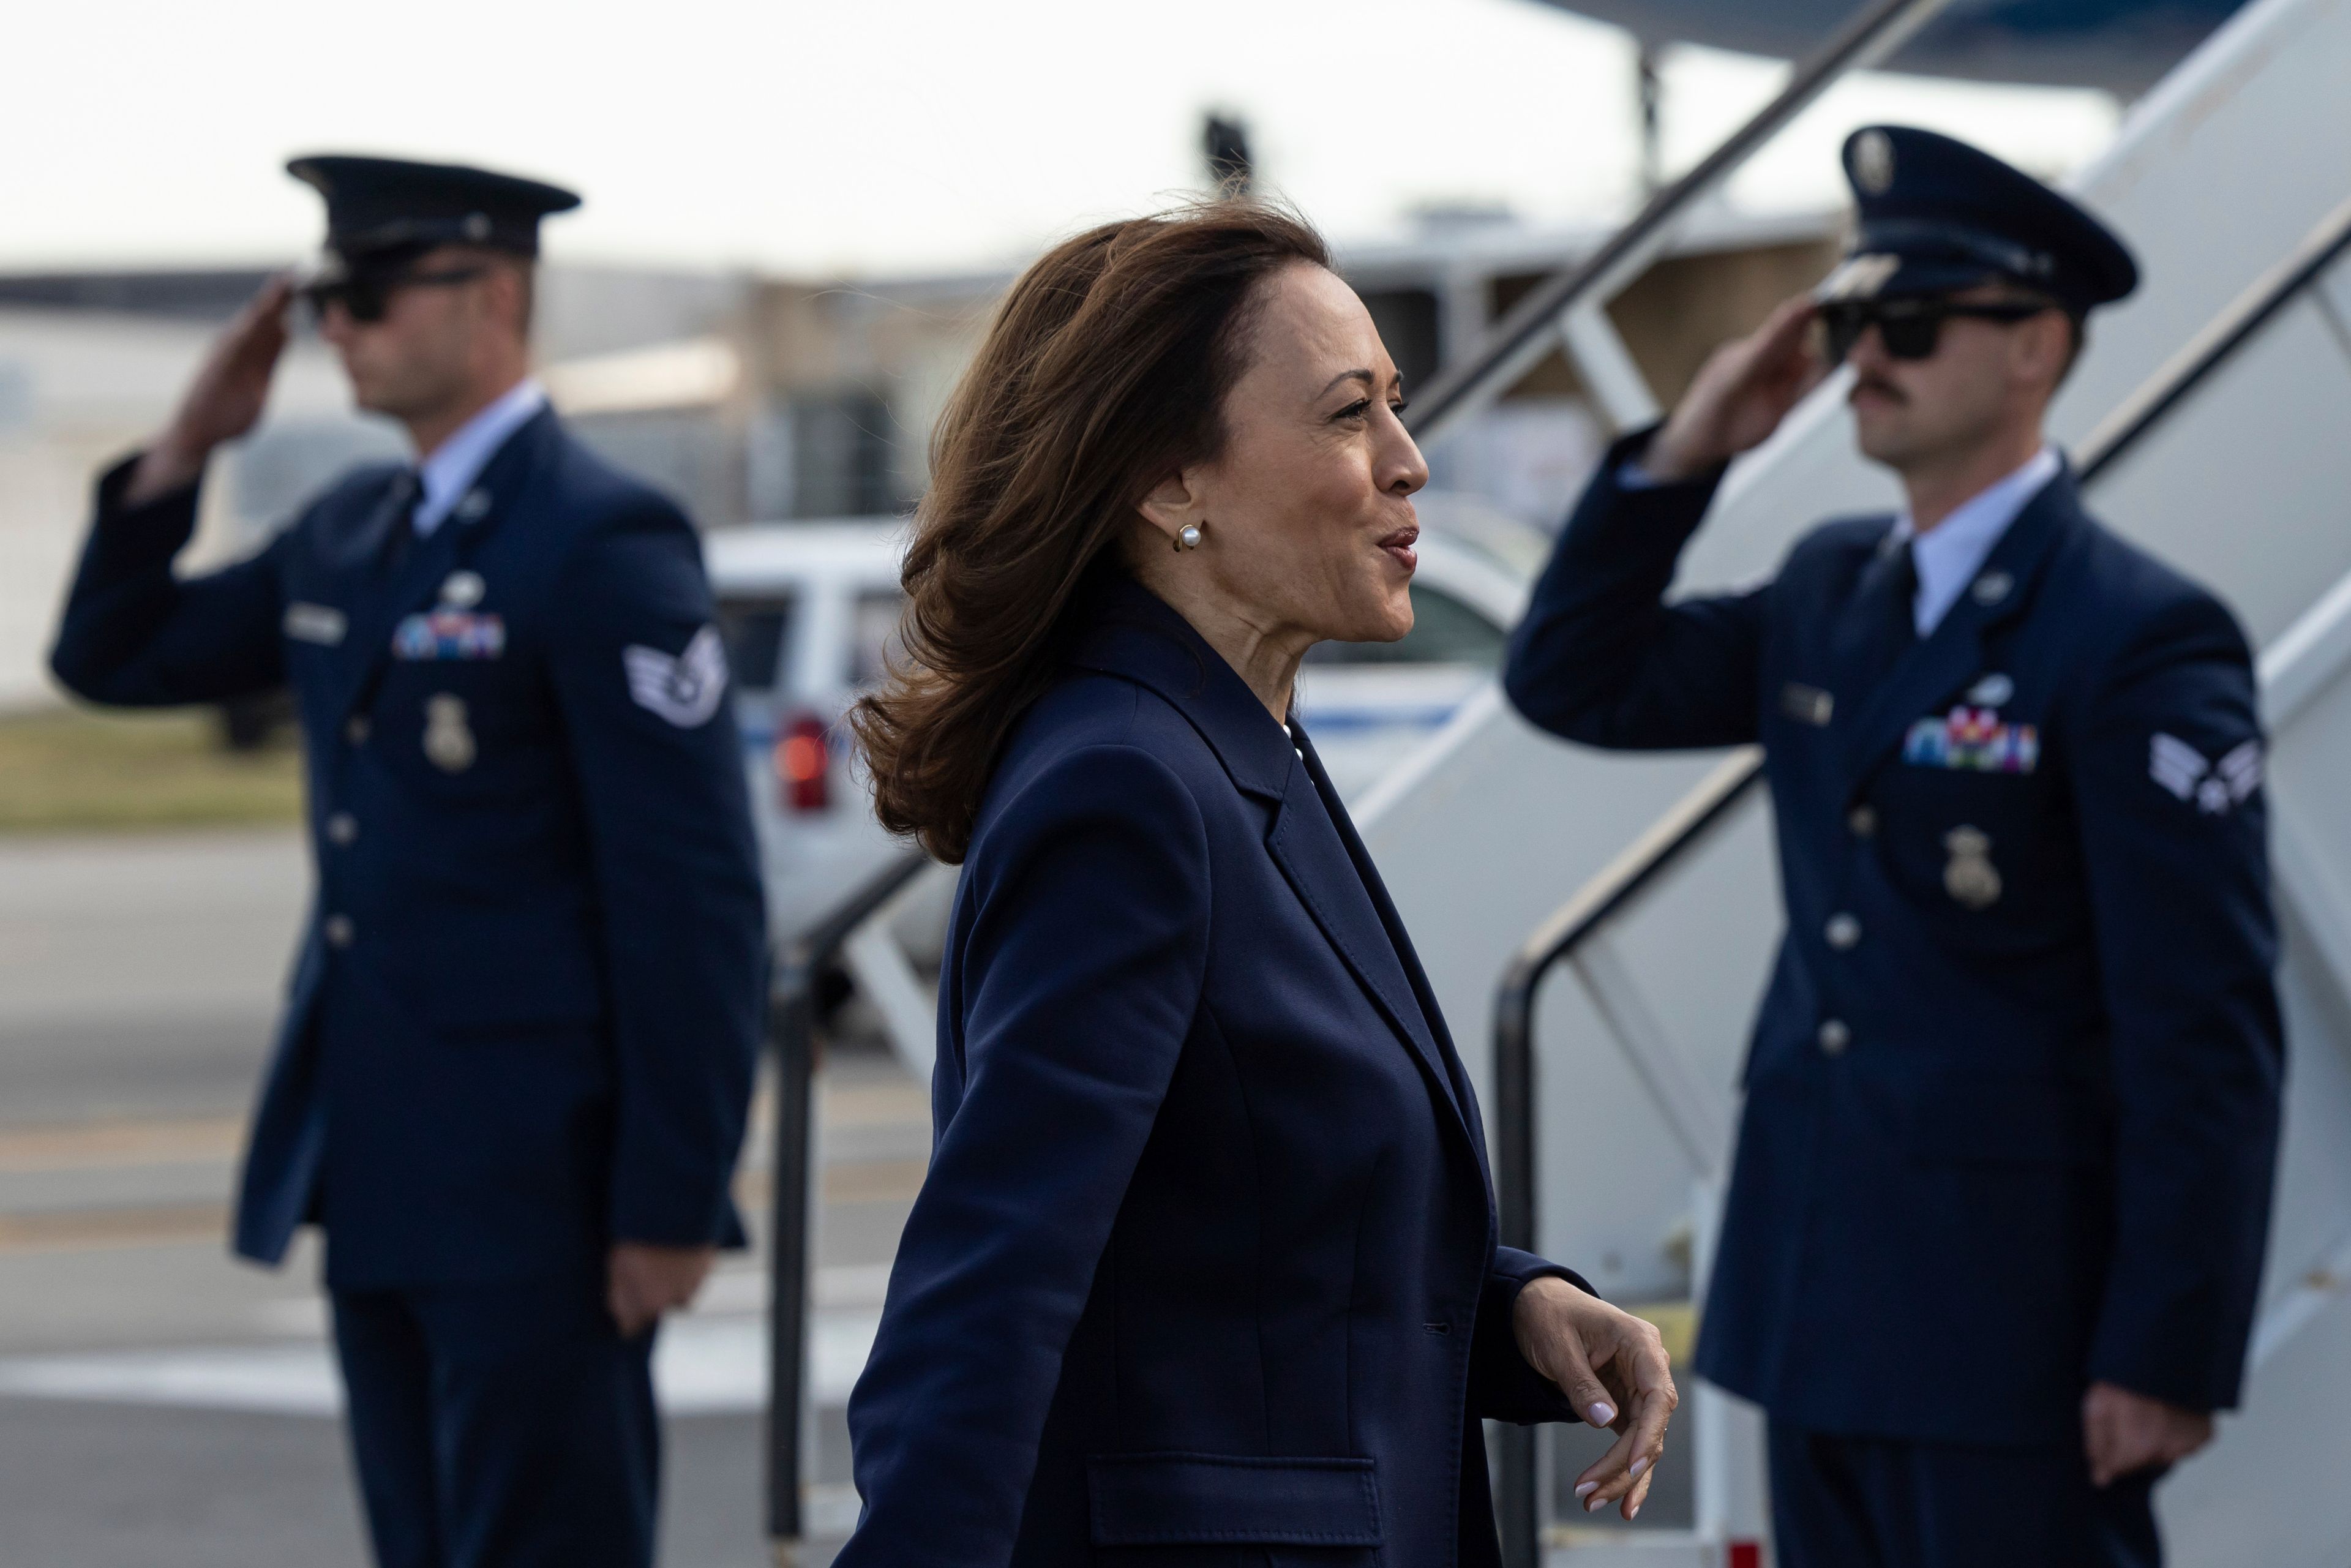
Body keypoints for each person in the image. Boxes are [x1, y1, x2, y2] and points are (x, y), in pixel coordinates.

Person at [834, 201, 1679, 1566]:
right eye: (1349, 417)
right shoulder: (1131, 788)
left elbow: (1243, 1215)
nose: (1408, 464)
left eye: (1396, 408)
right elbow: (990, 1294)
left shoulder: (1229, 743)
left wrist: (1511, 1307)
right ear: (1173, 487)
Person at [1502, 126, 2284, 1567]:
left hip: (2016, 1335)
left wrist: (2167, 1349)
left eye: (1910, 325)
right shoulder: (1829, 591)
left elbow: (2205, 1027)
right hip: (1823, 1299)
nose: (1868, 358)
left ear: (2036, 345)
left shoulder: (2133, 633)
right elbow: (1572, 681)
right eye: (1857, 322)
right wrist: (1687, 452)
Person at [48, 156, 767, 1568]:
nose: (338, 332)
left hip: (542, 1194)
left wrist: (671, 1203)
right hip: (376, 1168)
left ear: (492, 294)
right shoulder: (350, 533)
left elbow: (691, 899)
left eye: (369, 298)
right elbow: (110, 657)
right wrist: (186, 446)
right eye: (325, 303)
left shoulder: (600, 538)